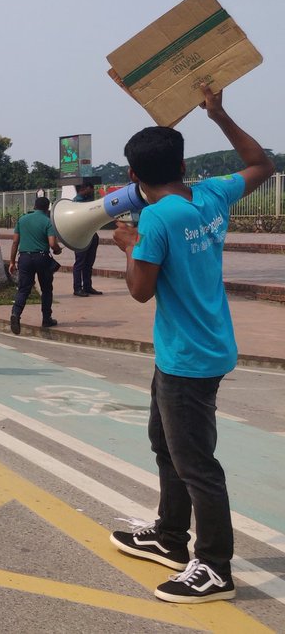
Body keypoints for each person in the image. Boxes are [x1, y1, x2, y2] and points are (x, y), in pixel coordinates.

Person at [109, 86, 273, 604]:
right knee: (166, 445)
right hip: (201, 347)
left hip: (186, 358)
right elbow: (261, 163)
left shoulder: (155, 220)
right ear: (182, 163)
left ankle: (215, 566)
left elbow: (140, 291)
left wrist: (130, 246)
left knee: (197, 463)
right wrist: (219, 112)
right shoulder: (211, 194)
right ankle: (170, 537)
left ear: (133, 177)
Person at [8, 196, 62, 335]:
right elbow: (52, 243)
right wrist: (57, 249)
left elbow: (15, 242)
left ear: (34, 207)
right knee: (46, 289)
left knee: (23, 289)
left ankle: (16, 313)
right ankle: (46, 318)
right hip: (42, 258)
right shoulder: (47, 221)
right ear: (47, 208)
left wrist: (12, 261)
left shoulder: (22, 219)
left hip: (24, 258)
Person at [71, 182, 102, 297]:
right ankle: (77, 288)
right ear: (84, 189)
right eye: (91, 189)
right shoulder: (76, 202)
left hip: (91, 235)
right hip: (81, 236)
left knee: (89, 263)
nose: (92, 191)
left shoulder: (87, 200)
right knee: (80, 263)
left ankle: (87, 286)